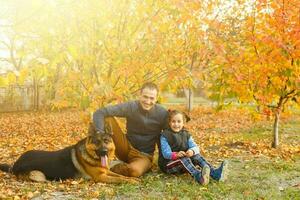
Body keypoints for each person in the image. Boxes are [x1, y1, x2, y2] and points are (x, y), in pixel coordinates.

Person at [93, 82, 168, 177]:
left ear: (156, 99)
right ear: (140, 95)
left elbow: (170, 134)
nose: (148, 101)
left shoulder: (162, 113)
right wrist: (100, 137)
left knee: (134, 171)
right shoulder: (131, 106)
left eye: (151, 98)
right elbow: (100, 112)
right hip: (125, 148)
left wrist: (168, 159)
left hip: (143, 155)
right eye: (145, 97)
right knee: (107, 118)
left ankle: (113, 168)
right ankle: (99, 159)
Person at [158, 109, 228, 185]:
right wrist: (176, 154)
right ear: (169, 122)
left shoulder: (186, 134)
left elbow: (195, 147)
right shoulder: (165, 135)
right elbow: (165, 153)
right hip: (168, 164)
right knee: (183, 159)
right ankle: (199, 177)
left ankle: (215, 174)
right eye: (173, 121)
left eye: (179, 121)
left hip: (184, 164)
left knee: (196, 155)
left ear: (183, 123)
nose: (176, 124)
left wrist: (192, 151)